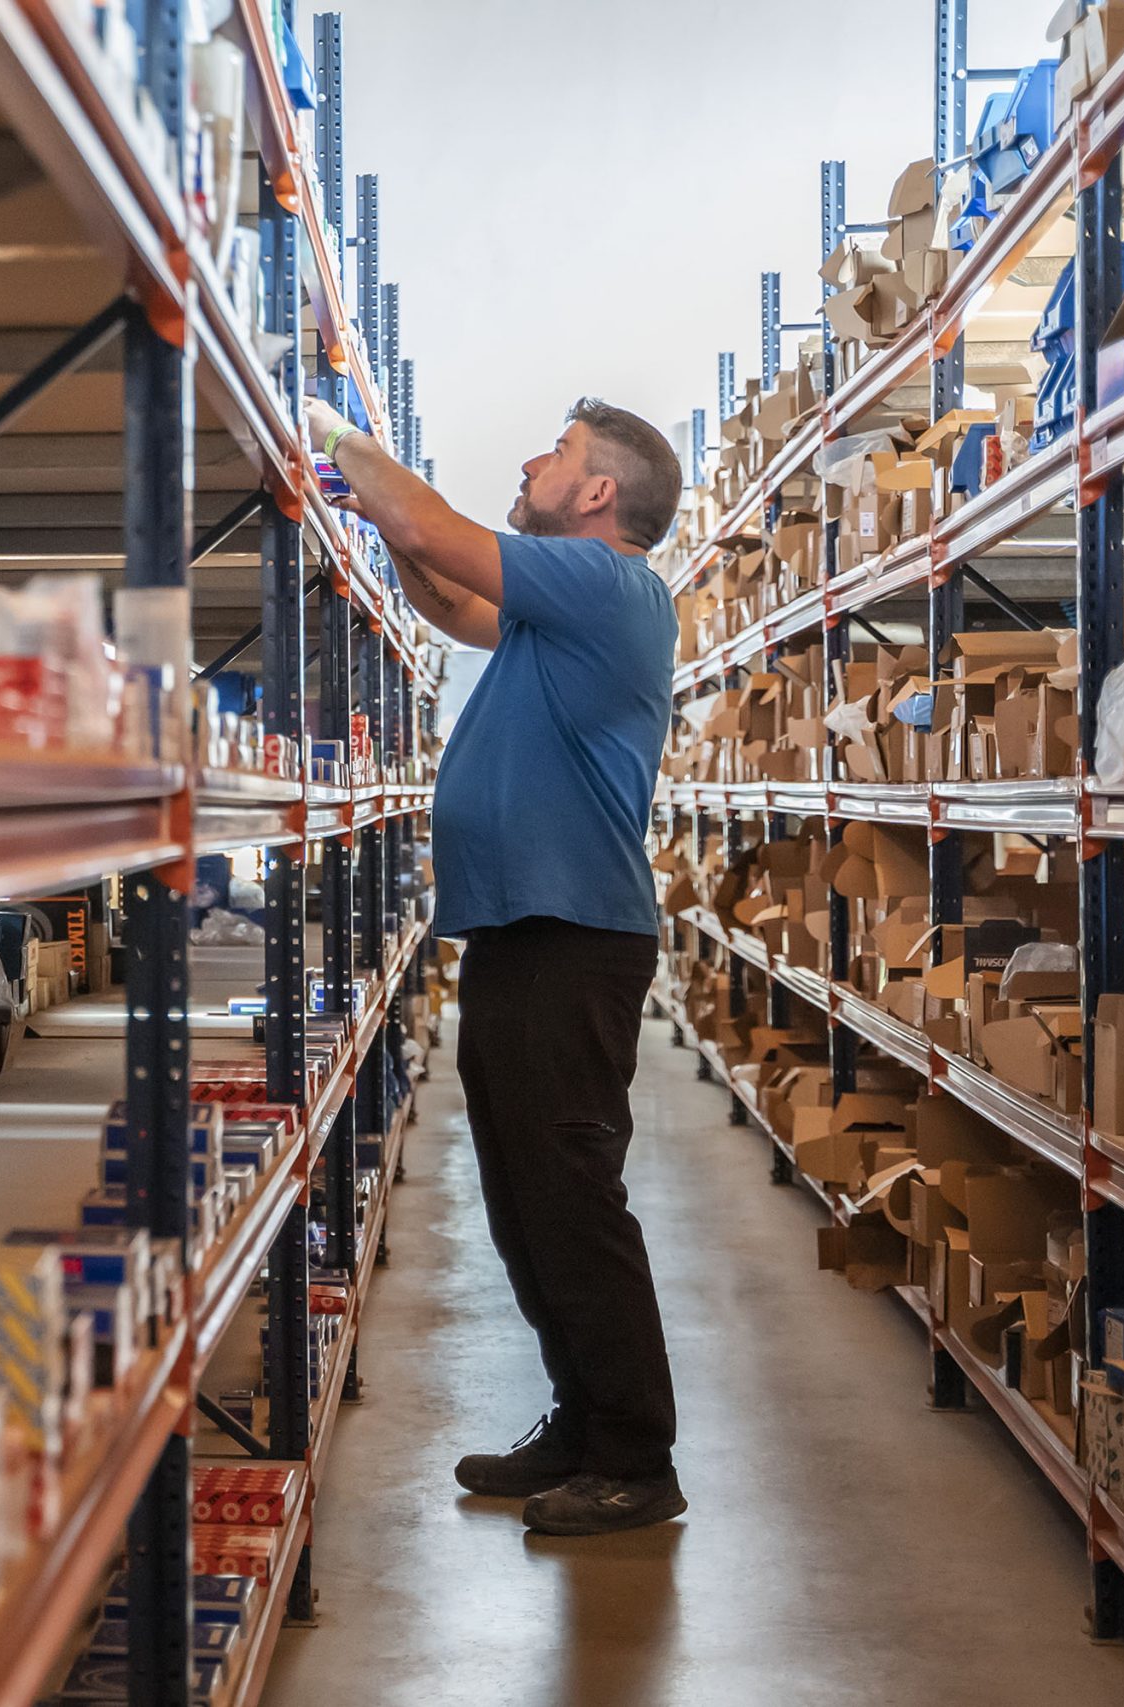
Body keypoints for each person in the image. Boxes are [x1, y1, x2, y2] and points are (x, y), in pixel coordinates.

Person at [307, 394, 685, 1538]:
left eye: (557, 453)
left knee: (571, 1197)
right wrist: (372, 524)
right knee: (525, 1205)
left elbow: (435, 538)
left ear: (598, 493)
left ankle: (635, 1456)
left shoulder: (608, 583)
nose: (532, 462)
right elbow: (449, 598)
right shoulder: (550, 612)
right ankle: (579, 1420)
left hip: (573, 936)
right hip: (524, 932)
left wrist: (332, 432)